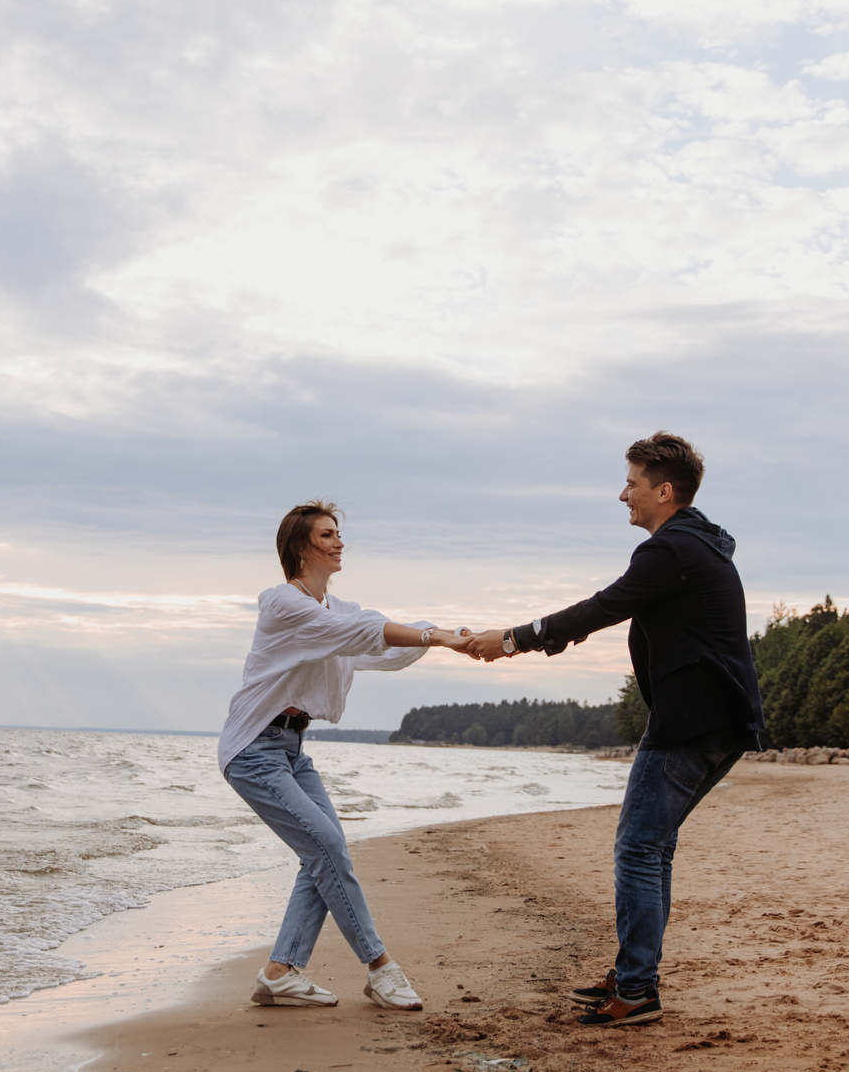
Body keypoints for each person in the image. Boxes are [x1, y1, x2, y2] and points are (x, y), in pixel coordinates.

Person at [460, 433, 762, 1028]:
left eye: (632, 483)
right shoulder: (696, 544)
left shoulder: (671, 551)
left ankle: (637, 988)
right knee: (653, 847)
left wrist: (514, 639)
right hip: (717, 718)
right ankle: (633, 972)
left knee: (638, 848)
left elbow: (602, 607)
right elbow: (612, 609)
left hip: (691, 722)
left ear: (664, 490)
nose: (623, 494)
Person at [219, 501, 464, 1013]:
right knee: (326, 846)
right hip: (253, 749)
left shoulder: (336, 611)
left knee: (324, 852)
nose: (339, 542)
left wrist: (447, 637)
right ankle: (380, 969)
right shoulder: (283, 604)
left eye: (338, 534)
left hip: (291, 749)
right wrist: (432, 635)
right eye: (328, 535)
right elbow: (364, 631)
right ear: (302, 546)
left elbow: (380, 646)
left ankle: (280, 973)